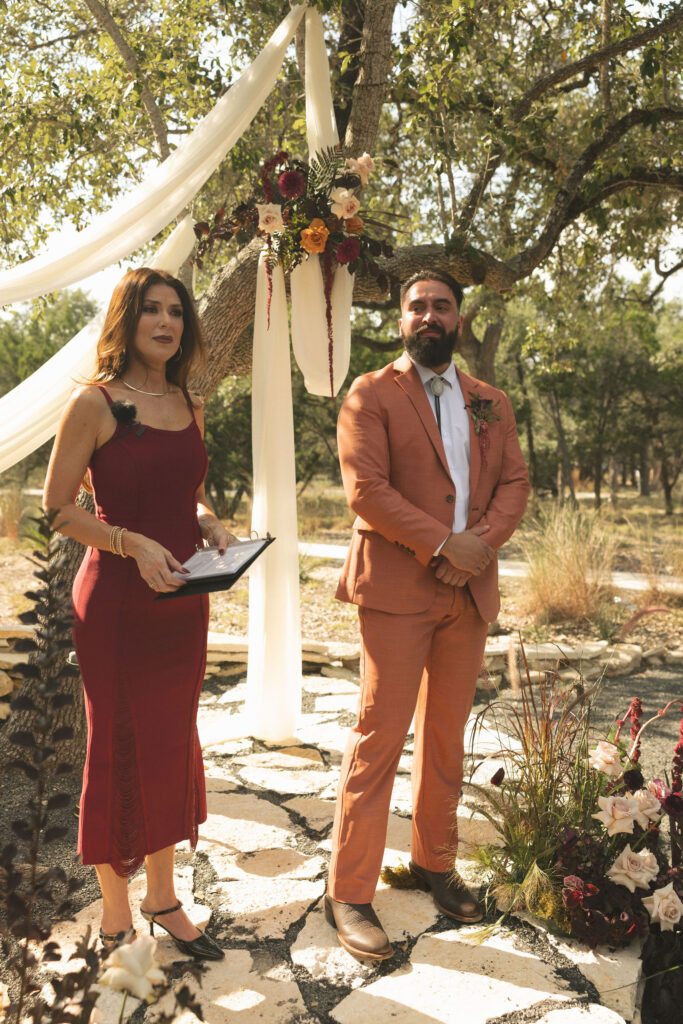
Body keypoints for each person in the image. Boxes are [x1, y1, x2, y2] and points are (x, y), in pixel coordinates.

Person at [324, 269, 530, 961]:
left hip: (466, 592)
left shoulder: (491, 401)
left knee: (445, 735)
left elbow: (514, 482)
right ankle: (348, 890)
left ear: (458, 318)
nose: (429, 315)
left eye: (442, 305)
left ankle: (433, 863)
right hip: (395, 588)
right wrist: (445, 543)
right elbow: (366, 489)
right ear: (401, 320)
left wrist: (476, 549)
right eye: (417, 306)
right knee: (379, 735)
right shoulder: (370, 393)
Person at [43, 267, 236, 960]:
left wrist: (208, 521)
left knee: (170, 744)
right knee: (118, 747)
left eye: (176, 312)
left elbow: (186, 492)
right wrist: (128, 542)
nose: (166, 322)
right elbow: (57, 510)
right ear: (125, 321)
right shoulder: (94, 403)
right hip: (118, 606)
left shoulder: (189, 400)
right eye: (151, 310)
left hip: (180, 603)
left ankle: (163, 897)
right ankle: (116, 914)